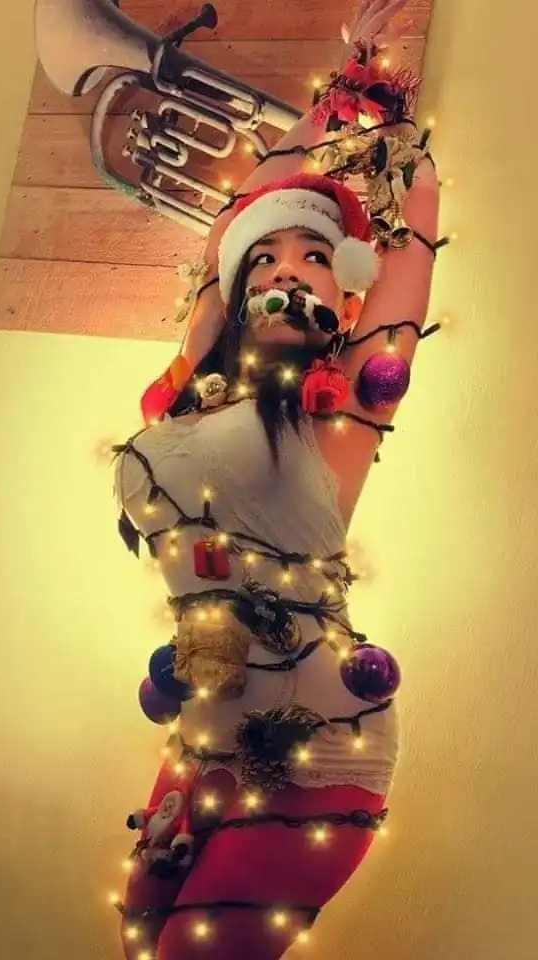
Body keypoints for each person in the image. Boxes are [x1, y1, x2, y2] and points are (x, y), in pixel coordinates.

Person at [111, 1, 440, 956]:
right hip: (204, 736)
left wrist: (390, 114)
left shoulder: (344, 411)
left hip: (319, 748)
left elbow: (414, 247)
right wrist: (333, 93)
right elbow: (241, 210)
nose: (287, 271)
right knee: (138, 943)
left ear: (344, 290)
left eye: (314, 258)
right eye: (267, 259)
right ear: (238, 285)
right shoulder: (190, 390)